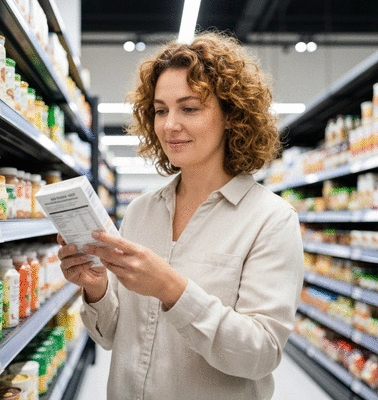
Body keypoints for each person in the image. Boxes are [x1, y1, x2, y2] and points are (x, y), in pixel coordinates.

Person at [58, 31, 304, 400]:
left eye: (189, 108)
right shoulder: (142, 211)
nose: (169, 125)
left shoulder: (271, 219)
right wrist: (97, 288)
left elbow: (260, 354)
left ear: (232, 116)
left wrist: (172, 289)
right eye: (160, 110)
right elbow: (112, 337)